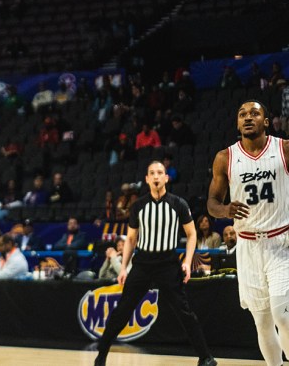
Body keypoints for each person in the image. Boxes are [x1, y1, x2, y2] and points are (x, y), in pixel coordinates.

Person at [94, 161, 216, 366]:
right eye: (152, 173)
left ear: (166, 178)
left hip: (168, 263)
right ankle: (101, 354)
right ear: (147, 179)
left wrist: (187, 262)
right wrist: (123, 267)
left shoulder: (179, 203)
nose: (157, 176)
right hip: (142, 263)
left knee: (184, 312)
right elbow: (131, 239)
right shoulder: (138, 206)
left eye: (160, 172)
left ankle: (206, 358)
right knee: (122, 310)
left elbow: (192, 234)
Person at [207, 100, 289, 366]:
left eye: (255, 113)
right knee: (262, 321)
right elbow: (212, 204)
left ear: (266, 121)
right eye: (242, 114)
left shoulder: (284, 149)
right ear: (237, 123)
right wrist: (225, 210)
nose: (248, 117)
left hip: (281, 242)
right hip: (248, 246)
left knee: (283, 315)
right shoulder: (225, 157)